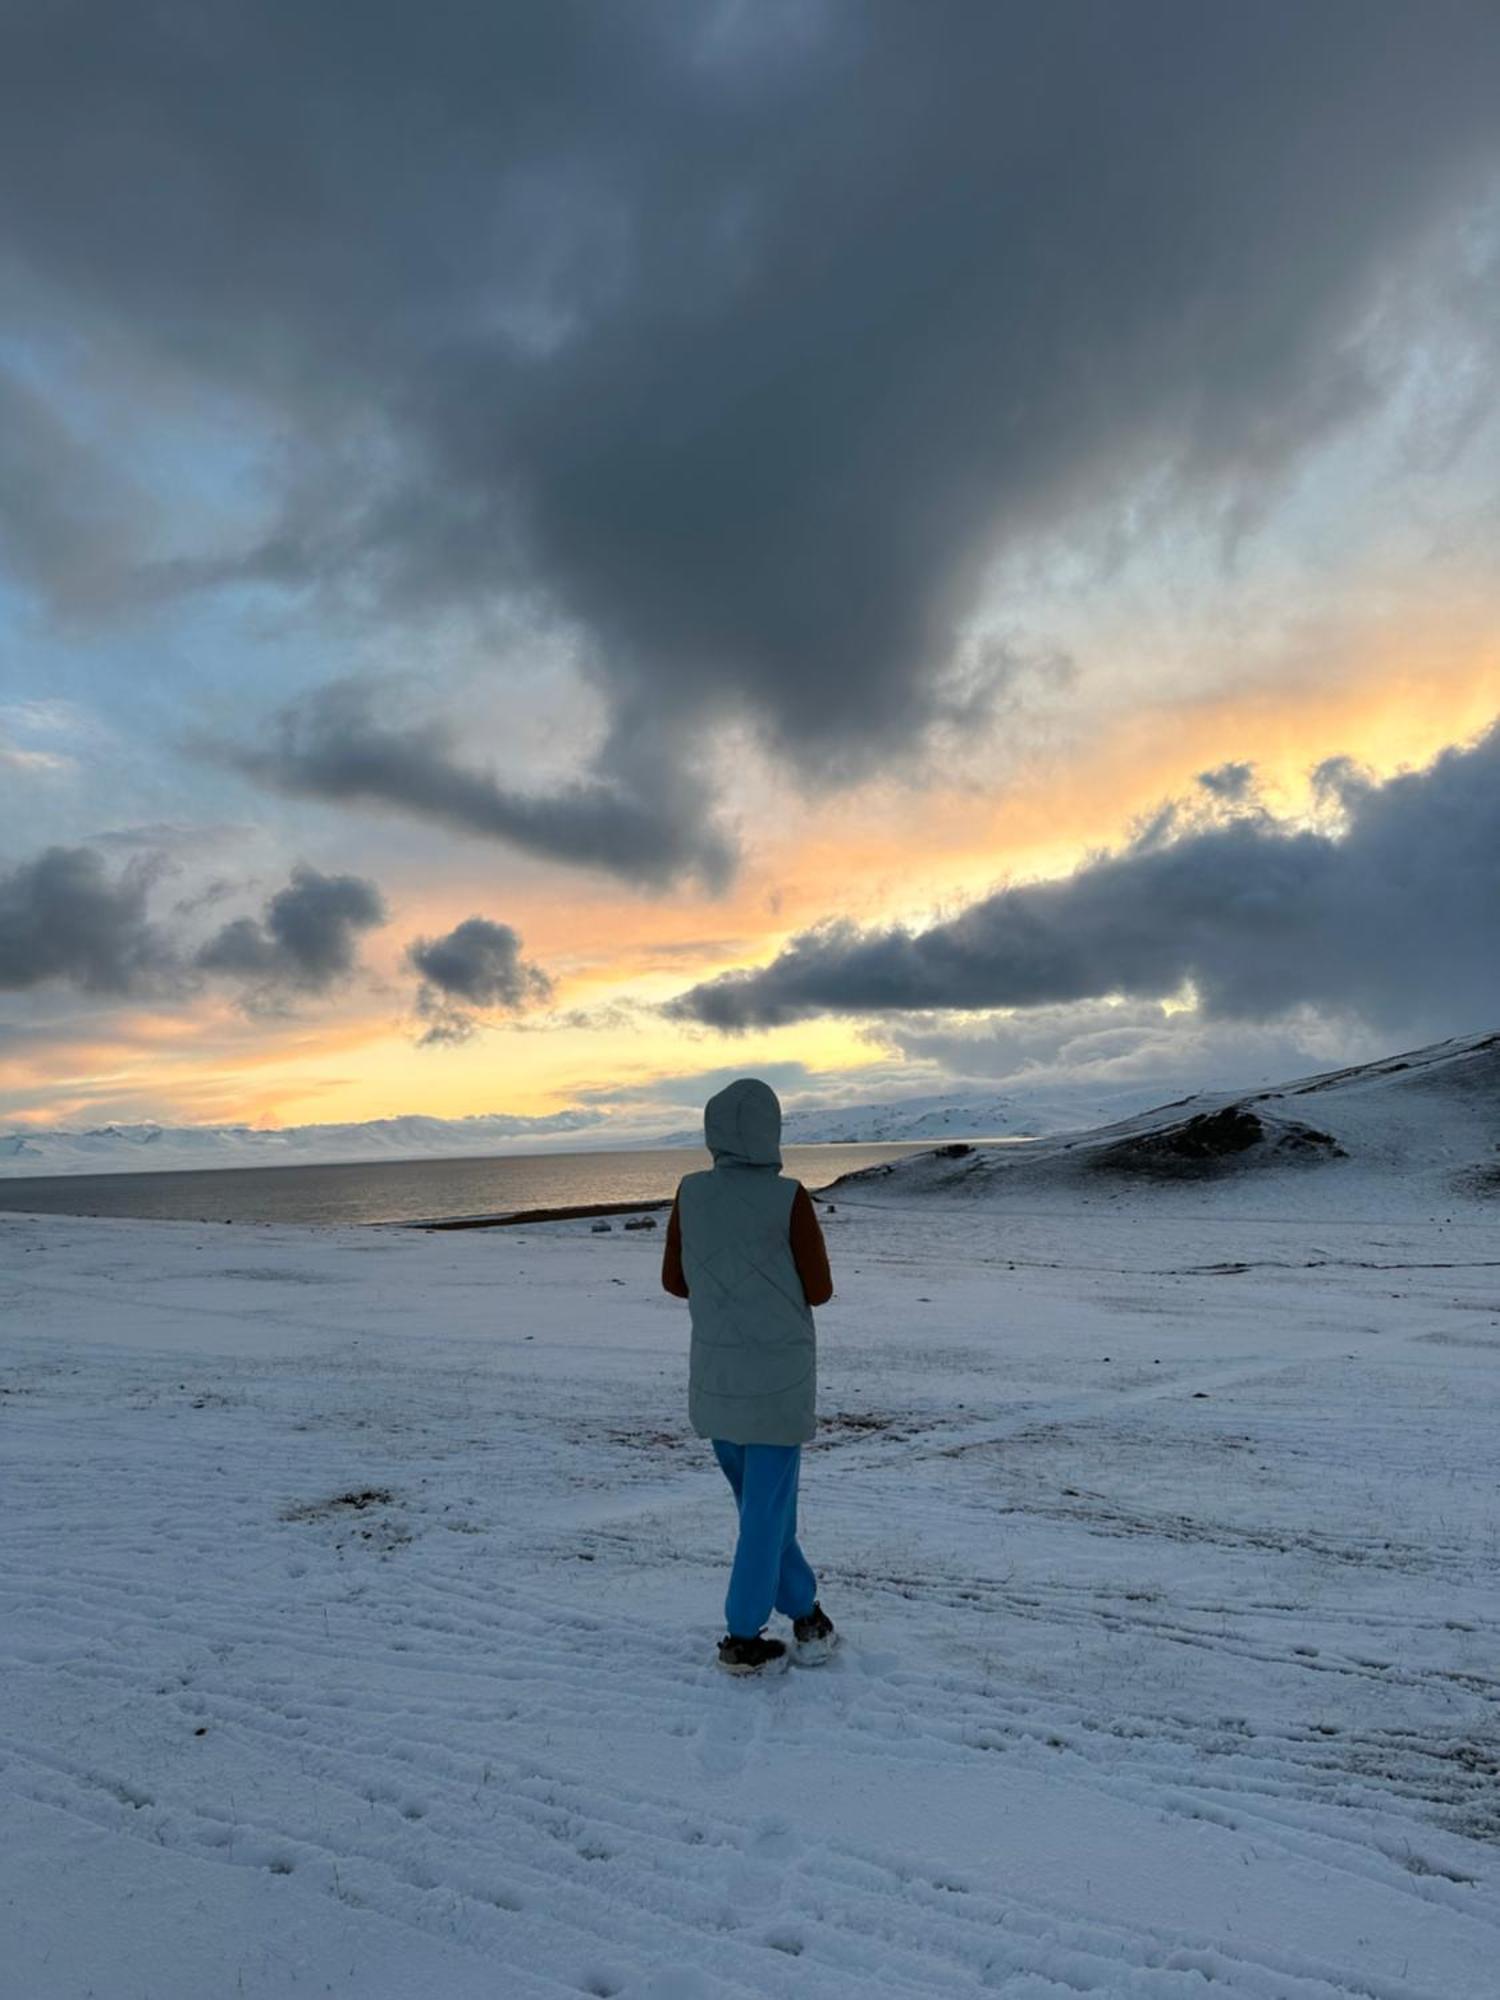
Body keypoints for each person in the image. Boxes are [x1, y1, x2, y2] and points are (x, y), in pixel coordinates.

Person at [661, 1076, 838, 1676]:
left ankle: (808, 1615)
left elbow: (674, 1281)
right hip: (778, 1384)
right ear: (771, 1131)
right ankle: (741, 1636)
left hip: (716, 1379)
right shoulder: (787, 1197)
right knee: (767, 1511)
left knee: (761, 1510)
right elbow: (820, 1289)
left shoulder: (689, 1193)